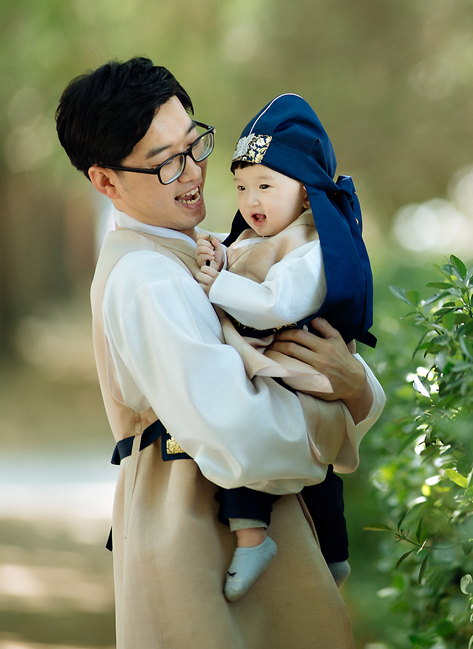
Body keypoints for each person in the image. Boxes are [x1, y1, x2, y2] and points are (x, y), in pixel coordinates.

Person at [55, 57, 382, 648]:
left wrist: (353, 385)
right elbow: (243, 437)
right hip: (195, 547)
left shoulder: (204, 252)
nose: (193, 174)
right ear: (105, 181)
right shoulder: (146, 279)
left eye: (195, 145)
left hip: (240, 536)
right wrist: (345, 404)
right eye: (165, 163)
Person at [191, 93, 375, 601]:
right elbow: (240, 263)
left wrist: (216, 287)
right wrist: (217, 255)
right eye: (243, 186)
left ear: (307, 191)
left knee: (265, 446)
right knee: (296, 463)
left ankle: (303, 550)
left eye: (266, 186)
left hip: (296, 371)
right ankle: (267, 541)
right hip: (276, 368)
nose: (251, 200)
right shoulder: (257, 238)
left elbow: (274, 305)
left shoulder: (311, 249)